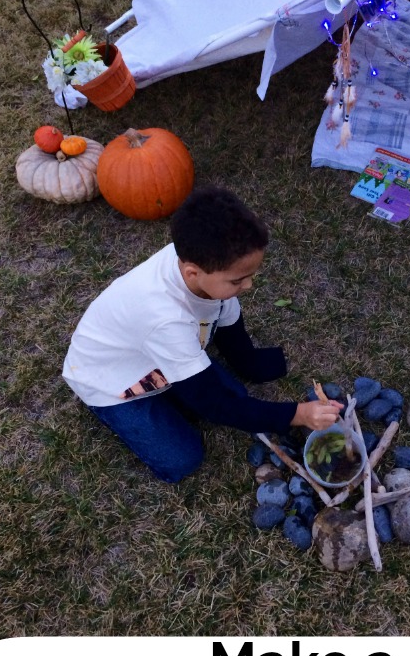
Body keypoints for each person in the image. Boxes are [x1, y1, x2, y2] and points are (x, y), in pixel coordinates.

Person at [62, 185, 342, 482]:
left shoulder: (202, 261)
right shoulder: (164, 318)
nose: (248, 286)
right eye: (238, 281)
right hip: (111, 380)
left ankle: (178, 384)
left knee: (236, 395)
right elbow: (214, 405)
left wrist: (249, 362)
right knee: (183, 459)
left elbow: (225, 318)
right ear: (192, 273)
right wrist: (296, 414)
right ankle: (132, 407)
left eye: (251, 275)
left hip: (156, 354)